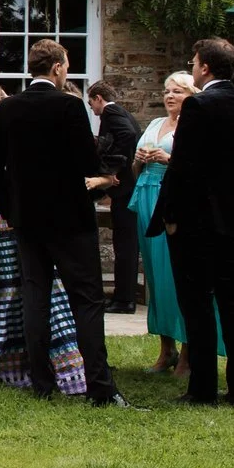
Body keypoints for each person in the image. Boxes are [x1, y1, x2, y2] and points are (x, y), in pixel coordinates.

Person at [0, 41, 124, 406]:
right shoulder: (69, 105)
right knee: (87, 299)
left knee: (36, 296)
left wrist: (12, 209)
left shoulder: (6, 109)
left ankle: (42, 383)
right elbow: (87, 162)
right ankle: (100, 387)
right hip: (70, 217)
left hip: (28, 219)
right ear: (58, 68)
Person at [0, 84, 86, 392]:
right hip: (13, 215)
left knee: (6, 294)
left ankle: (11, 353)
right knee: (33, 290)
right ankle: (39, 358)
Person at [150, 37, 234, 406]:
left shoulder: (199, 105)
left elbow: (184, 168)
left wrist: (169, 216)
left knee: (197, 304)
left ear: (205, 68)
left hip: (199, 222)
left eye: (194, 61)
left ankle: (202, 389)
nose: (193, 65)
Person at [129, 72, 212, 376]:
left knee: (177, 276)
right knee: (154, 276)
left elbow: (199, 169)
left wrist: (168, 159)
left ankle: (190, 352)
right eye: (167, 91)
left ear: (191, 94)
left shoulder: (193, 126)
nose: (170, 96)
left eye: (177, 91)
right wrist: (138, 160)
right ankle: (167, 350)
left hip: (175, 200)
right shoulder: (153, 124)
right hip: (147, 197)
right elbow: (135, 170)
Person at [88, 81, 142, 313]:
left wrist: (113, 169)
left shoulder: (112, 112)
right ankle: (123, 297)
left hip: (125, 188)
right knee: (124, 244)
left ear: (99, 98)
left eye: (91, 104)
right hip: (126, 187)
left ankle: (124, 299)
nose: (92, 109)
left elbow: (128, 136)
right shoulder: (120, 113)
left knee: (125, 245)